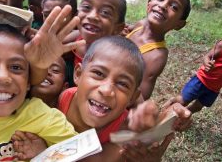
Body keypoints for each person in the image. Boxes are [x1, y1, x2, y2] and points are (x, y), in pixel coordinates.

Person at [13, 36, 191, 161]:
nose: (106, 90)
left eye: (122, 84)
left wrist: (169, 120)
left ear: (132, 98)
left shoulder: (124, 130)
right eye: (98, 73)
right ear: (78, 74)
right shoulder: (61, 100)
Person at [0, 5, 85, 161]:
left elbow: (83, 155)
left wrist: (44, 155)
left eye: (16, 67)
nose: (3, 77)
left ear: (28, 82)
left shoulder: (43, 118)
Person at [125, 0, 191, 101]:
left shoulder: (156, 56)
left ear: (179, 24)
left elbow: (142, 96)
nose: (163, 6)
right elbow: (126, 31)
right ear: (149, 4)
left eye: (174, 7)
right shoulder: (141, 24)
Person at [63, 0, 126, 86]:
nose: (92, 16)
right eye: (87, 7)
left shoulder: (115, 58)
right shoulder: (79, 37)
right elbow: (55, 43)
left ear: (118, 28)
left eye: (105, 12)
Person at [168, 40, 222, 114]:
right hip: (202, 80)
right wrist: (207, 64)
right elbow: (207, 56)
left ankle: (181, 117)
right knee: (182, 101)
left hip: (214, 89)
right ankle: (166, 111)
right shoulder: (221, 45)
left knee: (198, 107)